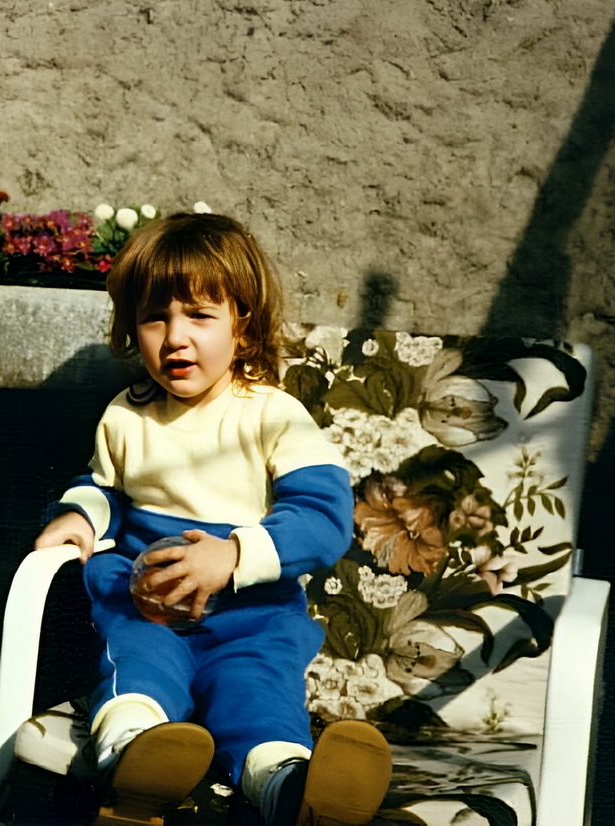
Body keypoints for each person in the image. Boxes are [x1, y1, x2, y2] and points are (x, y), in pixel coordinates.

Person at [35, 212, 391, 825]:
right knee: (135, 675)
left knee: (258, 704)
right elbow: (102, 489)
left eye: (199, 316)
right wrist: (78, 519)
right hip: (147, 608)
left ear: (241, 326)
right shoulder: (127, 415)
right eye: (155, 317)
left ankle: (291, 789)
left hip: (252, 620)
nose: (175, 337)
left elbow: (322, 515)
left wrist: (233, 556)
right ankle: (135, 761)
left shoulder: (272, 414)